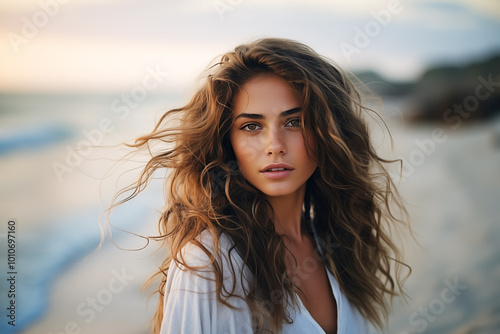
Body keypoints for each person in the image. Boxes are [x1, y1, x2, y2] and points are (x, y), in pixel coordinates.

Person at [120, 38, 409, 333]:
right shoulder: (209, 264)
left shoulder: (337, 241)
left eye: (294, 122)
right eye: (251, 126)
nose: (275, 146)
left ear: (327, 132)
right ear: (227, 142)